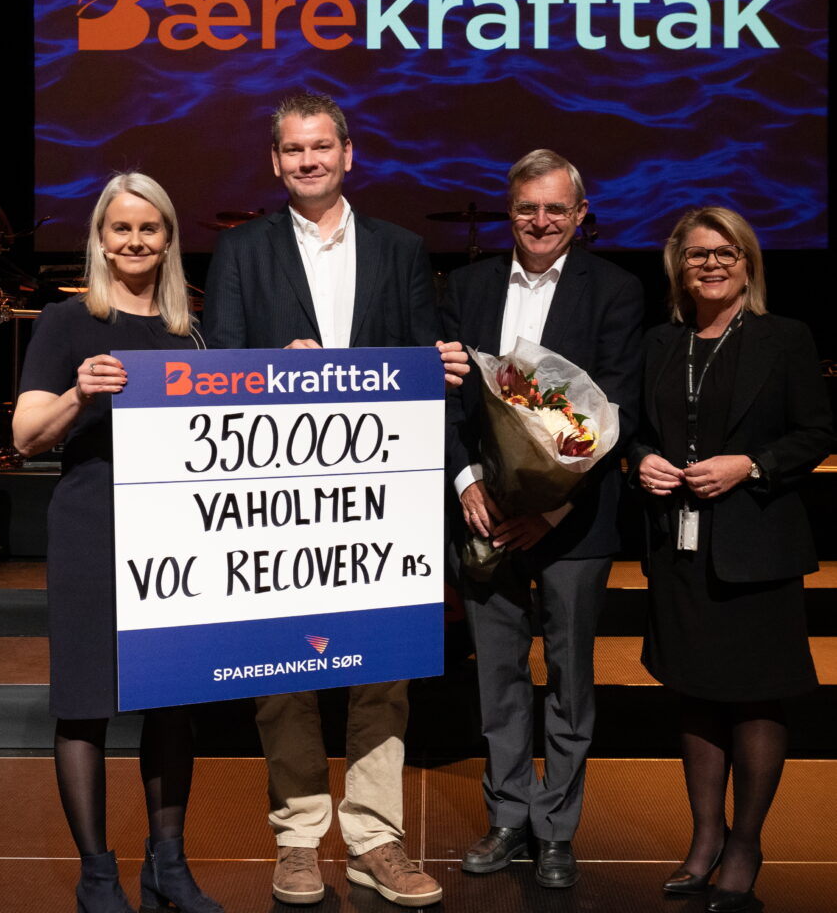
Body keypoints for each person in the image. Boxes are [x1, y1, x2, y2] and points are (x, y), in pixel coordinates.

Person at [201, 91, 467, 907]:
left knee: (381, 670)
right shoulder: (241, 253)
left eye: (321, 147)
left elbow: (430, 385)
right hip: (278, 500)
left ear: (348, 154)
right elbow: (214, 379)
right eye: (293, 150)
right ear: (275, 162)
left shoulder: (399, 249)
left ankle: (375, 841)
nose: (308, 160)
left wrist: (443, 371)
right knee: (284, 669)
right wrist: (271, 372)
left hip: (381, 495)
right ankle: (296, 840)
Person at [13, 174, 223, 913]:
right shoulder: (66, 321)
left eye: (150, 229)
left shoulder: (191, 332)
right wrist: (80, 394)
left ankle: (168, 866)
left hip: (174, 537)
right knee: (85, 704)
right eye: (120, 229)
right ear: (100, 239)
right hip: (92, 529)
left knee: (173, 703)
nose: (135, 242)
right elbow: (24, 434)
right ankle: (96, 875)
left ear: (168, 239)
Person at [442, 149, 643, 888]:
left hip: (575, 522)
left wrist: (552, 506)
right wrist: (466, 480)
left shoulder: (615, 291)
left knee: (568, 680)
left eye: (556, 209)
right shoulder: (464, 287)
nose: (541, 221)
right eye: (528, 207)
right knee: (496, 679)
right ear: (509, 210)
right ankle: (507, 819)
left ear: (579, 216)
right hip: (484, 514)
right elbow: (448, 397)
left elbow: (615, 405)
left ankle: (555, 829)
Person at [631, 206, 832, 912]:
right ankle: (705, 838)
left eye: (725, 253)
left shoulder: (785, 338)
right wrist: (642, 462)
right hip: (679, 549)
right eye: (696, 256)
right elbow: (632, 430)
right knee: (693, 690)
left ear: (747, 262)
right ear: (677, 268)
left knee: (753, 694)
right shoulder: (660, 343)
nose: (710, 265)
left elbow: (814, 433)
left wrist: (748, 465)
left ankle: (745, 843)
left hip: (756, 547)